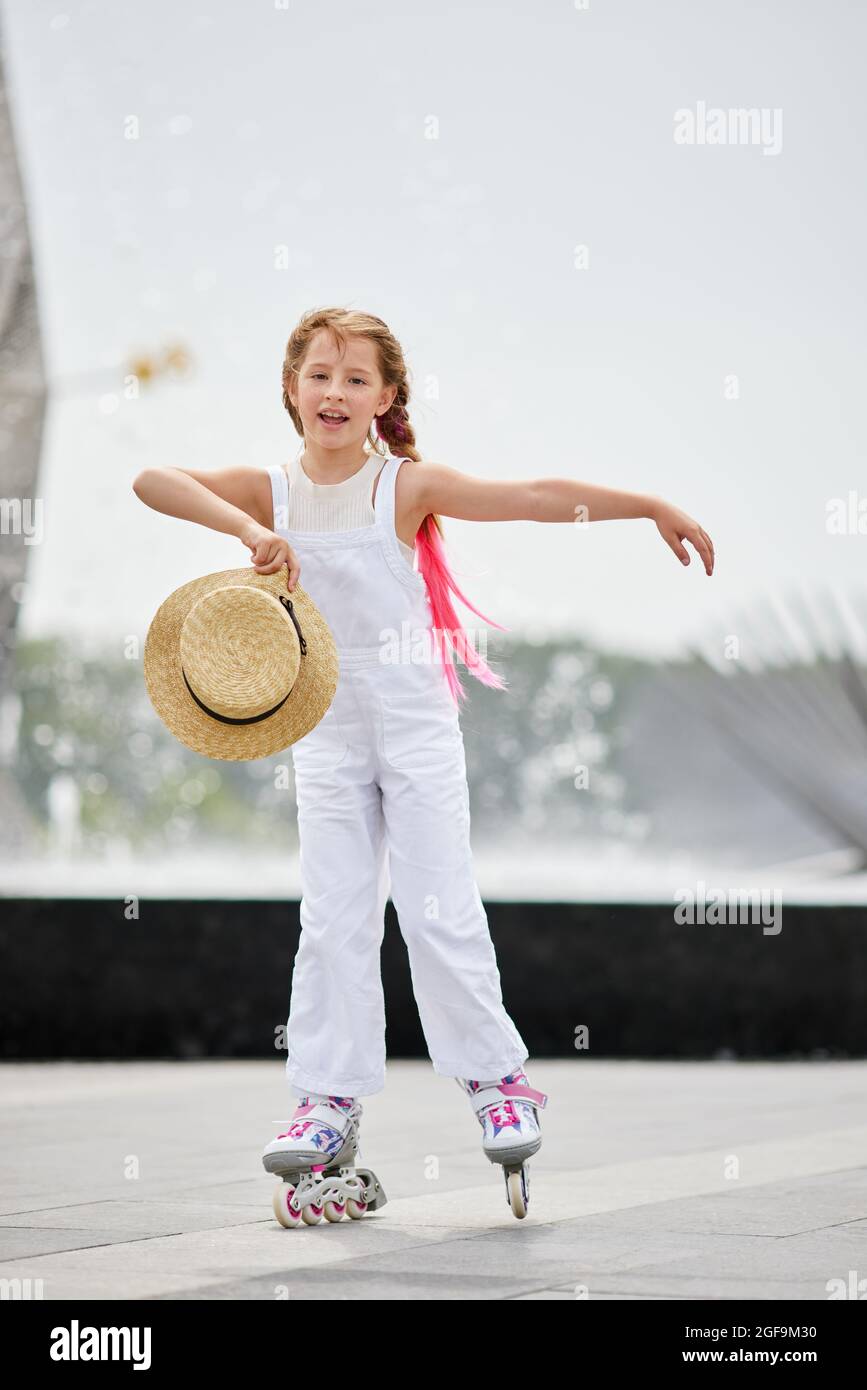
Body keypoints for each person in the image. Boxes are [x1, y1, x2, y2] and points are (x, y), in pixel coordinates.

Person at [133, 306, 714, 1216]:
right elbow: (151, 478)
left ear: (387, 398)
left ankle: (496, 1081)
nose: (334, 392)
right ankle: (324, 1099)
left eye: (356, 379)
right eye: (319, 374)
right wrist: (246, 533)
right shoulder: (268, 491)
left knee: (438, 908)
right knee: (331, 919)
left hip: (413, 732)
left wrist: (645, 505)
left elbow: (529, 494)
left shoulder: (402, 487)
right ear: (291, 387)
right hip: (322, 736)